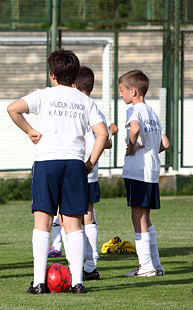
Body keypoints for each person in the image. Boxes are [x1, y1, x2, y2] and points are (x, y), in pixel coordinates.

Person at [7, 49, 109, 294]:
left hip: (47, 162)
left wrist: (30, 130)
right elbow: (103, 134)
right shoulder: (85, 100)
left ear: (51, 74)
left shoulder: (44, 95)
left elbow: (12, 108)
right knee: (74, 224)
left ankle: (38, 282)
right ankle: (77, 282)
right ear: (74, 74)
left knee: (42, 222)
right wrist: (90, 162)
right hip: (74, 163)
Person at [49, 66, 118, 280]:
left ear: (74, 85)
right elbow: (107, 142)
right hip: (91, 169)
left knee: (66, 218)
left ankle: (75, 265)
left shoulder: (71, 106)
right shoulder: (95, 108)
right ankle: (91, 265)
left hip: (71, 169)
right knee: (88, 216)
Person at [118, 70, 170, 277]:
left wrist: (131, 147)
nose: (121, 95)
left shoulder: (134, 111)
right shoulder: (153, 113)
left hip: (138, 171)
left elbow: (135, 129)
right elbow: (164, 143)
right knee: (146, 218)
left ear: (133, 91)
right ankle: (156, 265)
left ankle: (146, 266)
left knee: (137, 217)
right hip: (152, 171)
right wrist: (149, 150)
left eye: (122, 91)